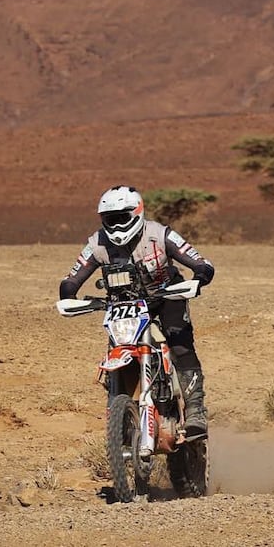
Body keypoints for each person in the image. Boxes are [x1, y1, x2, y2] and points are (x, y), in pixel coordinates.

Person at [59, 185, 216, 439]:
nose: (116, 226)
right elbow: (72, 278)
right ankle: (121, 409)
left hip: (166, 296)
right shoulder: (96, 243)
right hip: (123, 305)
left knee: (180, 345)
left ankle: (196, 410)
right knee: (116, 350)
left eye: (122, 218)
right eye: (110, 220)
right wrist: (68, 295)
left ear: (137, 213)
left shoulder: (160, 234)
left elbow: (201, 262)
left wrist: (199, 277)